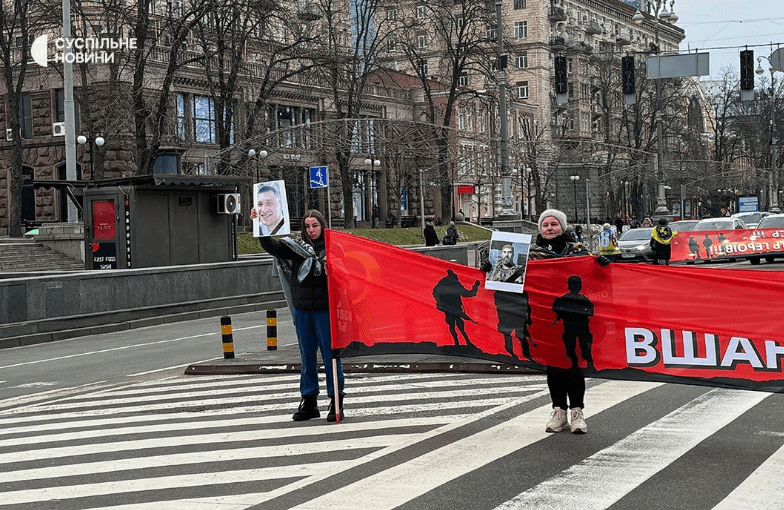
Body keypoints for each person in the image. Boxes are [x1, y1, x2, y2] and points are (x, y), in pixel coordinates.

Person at [528, 209, 610, 435]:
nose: (549, 228)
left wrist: (601, 264)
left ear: (562, 228)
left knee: (574, 364)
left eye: (554, 224)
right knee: (554, 364)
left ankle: (577, 412)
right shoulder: (531, 255)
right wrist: (491, 266)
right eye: (545, 225)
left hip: (575, 319)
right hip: (546, 317)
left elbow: (595, 278)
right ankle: (558, 412)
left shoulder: (577, 251)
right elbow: (507, 278)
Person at [258, 210, 345, 422]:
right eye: (307, 226)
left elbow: (346, 274)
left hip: (326, 310)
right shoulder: (296, 249)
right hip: (303, 309)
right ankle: (309, 401)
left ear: (322, 226)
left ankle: (336, 401)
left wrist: (331, 268)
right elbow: (274, 247)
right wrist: (260, 226)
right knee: (307, 356)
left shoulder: (334, 248)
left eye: (315, 225)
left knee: (331, 356)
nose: (311, 230)